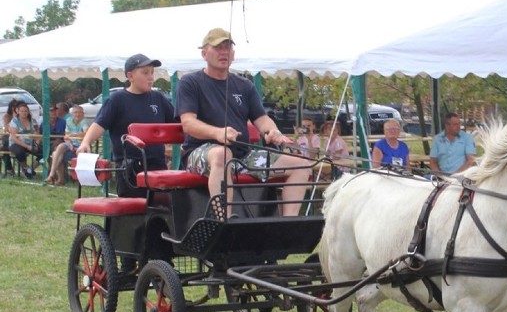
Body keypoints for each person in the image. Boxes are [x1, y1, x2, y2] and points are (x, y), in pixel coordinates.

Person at [176, 27, 311, 217]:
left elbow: (262, 119)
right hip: (200, 153)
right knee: (223, 154)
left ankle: (287, 225)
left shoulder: (244, 85)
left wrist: (272, 131)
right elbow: (188, 124)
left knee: (302, 164)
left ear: (233, 53)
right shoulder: (190, 82)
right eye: (218, 48)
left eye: (228, 47)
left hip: (242, 155)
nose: (224, 52)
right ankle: (224, 222)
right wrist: (217, 133)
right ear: (204, 53)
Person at [77, 53, 175, 197]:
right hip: (128, 168)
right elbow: (100, 124)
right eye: (145, 72)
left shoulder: (158, 98)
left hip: (157, 165)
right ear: (130, 76)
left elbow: (177, 123)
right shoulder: (117, 99)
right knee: (134, 213)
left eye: (152, 73)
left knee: (162, 209)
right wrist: (85, 142)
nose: (151, 77)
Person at [46, 105, 89, 186]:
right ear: (72, 114)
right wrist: (70, 144)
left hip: (81, 146)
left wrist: (72, 136)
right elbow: (66, 136)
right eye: (76, 112)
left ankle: (57, 177)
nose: (78, 114)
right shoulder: (68, 121)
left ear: (83, 114)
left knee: (56, 154)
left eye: (80, 113)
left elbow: (85, 134)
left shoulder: (84, 122)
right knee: (59, 148)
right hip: (71, 145)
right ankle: (53, 175)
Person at [8, 100, 42, 179]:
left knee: (44, 153)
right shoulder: (14, 122)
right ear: (18, 112)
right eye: (22, 111)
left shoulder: (33, 121)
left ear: (28, 112)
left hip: (31, 143)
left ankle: (30, 169)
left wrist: (36, 144)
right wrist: (27, 146)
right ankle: (25, 169)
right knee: (20, 151)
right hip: (16, 143)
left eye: (26, 111)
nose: (24, 113)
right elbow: (14, 138)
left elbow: (38, 134)